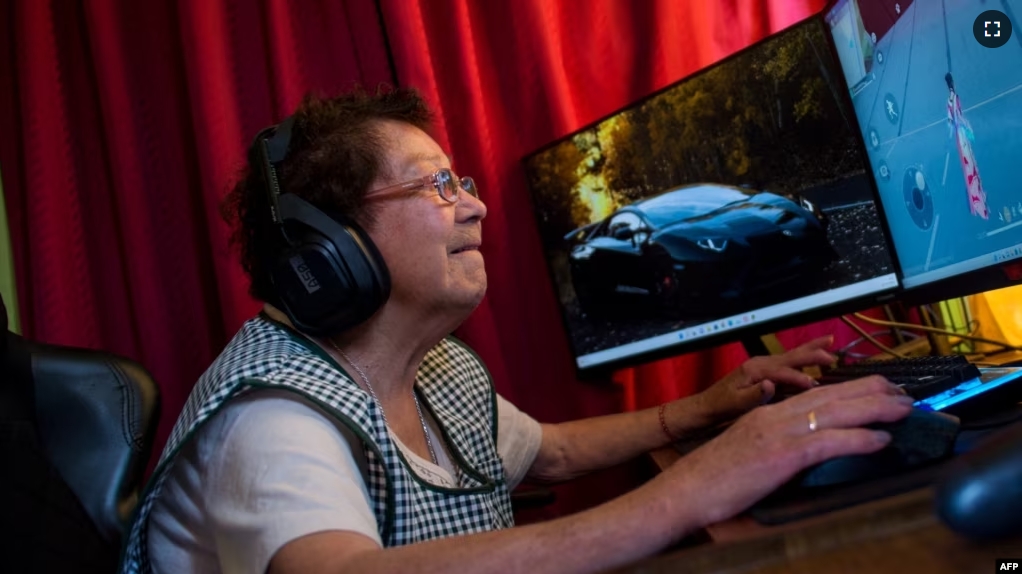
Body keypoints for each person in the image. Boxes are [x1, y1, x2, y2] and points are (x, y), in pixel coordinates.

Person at [120, 86, 913, 574]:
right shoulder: (270, 417)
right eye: (435, 187)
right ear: (333, 248)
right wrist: (689, 491)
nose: (475, 204)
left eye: (460, 181)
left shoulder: (435, 371)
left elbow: (549, 452)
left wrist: (703, 411)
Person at [945, 72, 989, 220]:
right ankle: (978, 201)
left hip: (960, 133)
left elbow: (950, 121)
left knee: (970, 164)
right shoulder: (954, 99)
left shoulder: (950, 101)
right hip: (962, 133)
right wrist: (966, 128)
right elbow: (956, 119)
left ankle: (978, 196)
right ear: (953, 84)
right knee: (970, 163)